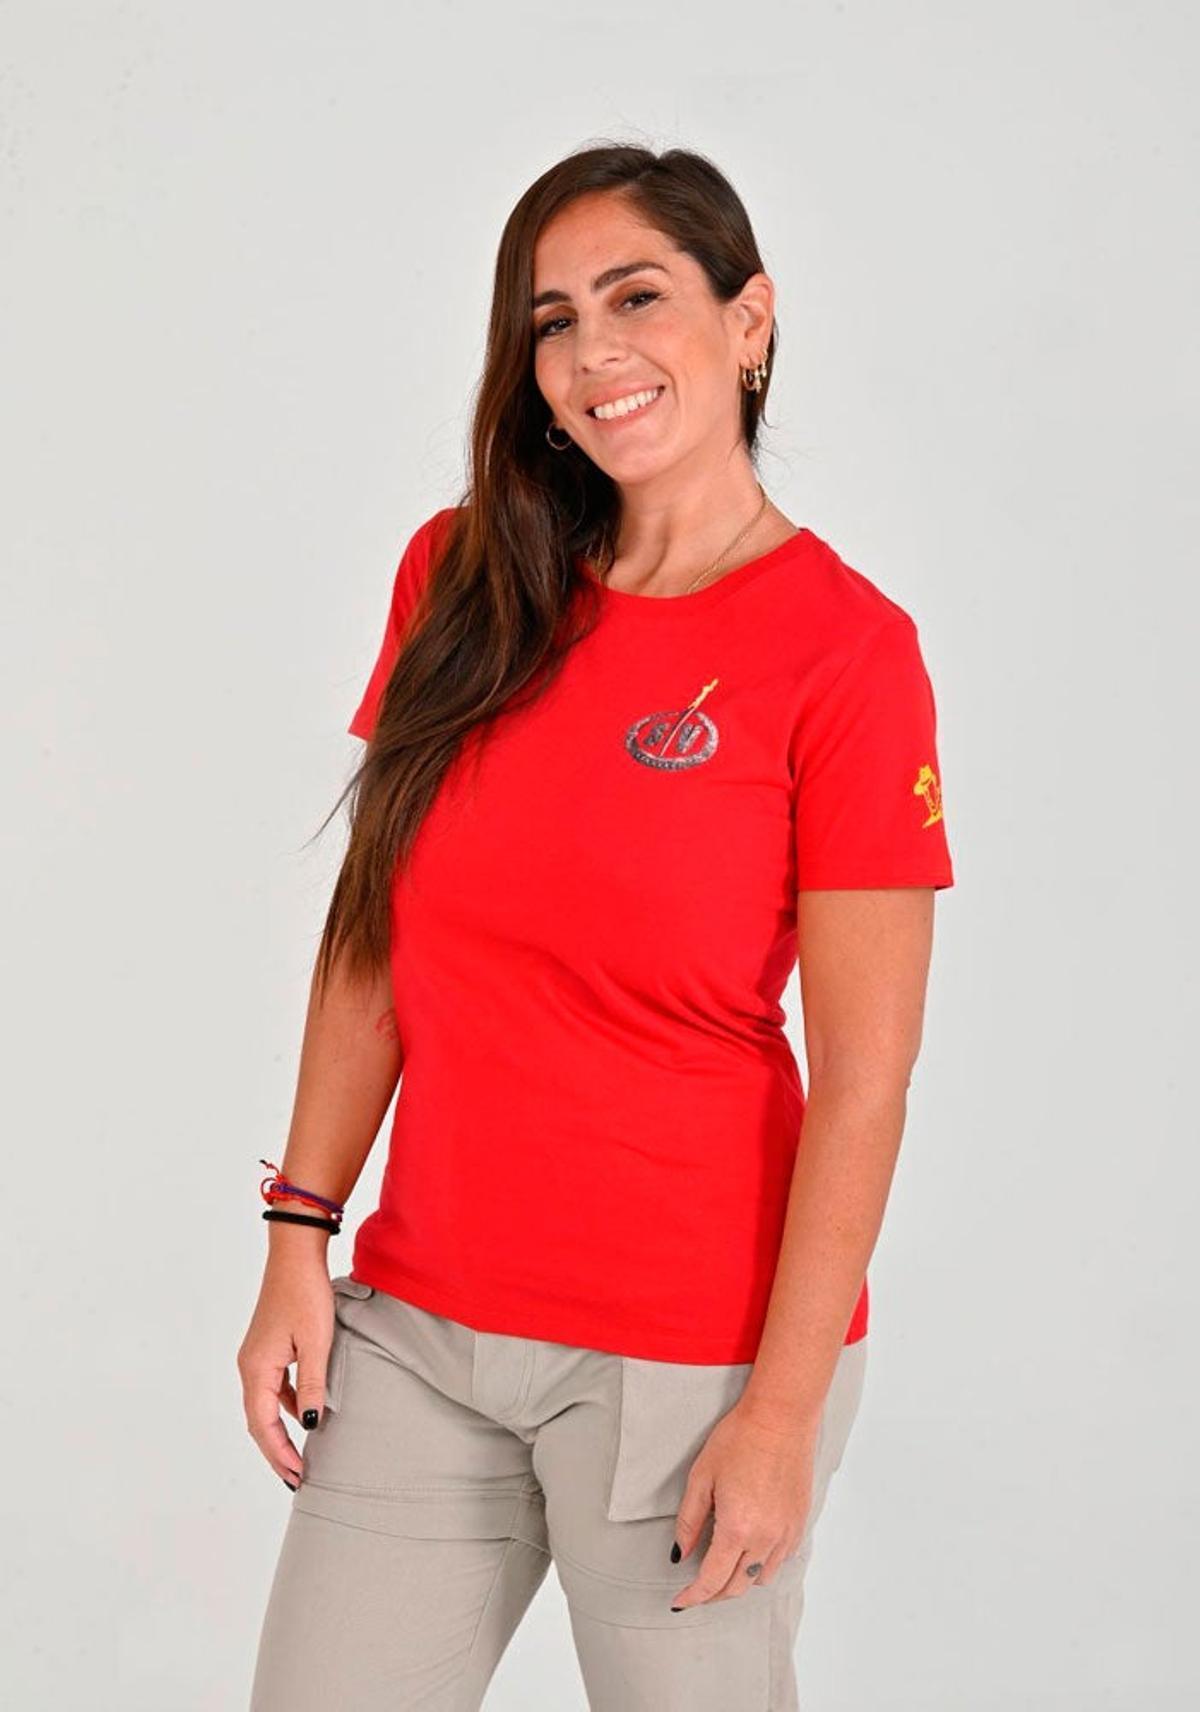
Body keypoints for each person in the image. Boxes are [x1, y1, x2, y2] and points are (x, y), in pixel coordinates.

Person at [240, 142, 955, 1711]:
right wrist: (300, 1232)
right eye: (552, 319)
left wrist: (780, 1415)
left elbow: (865, 1079)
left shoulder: (846, 653)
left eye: (638, 298)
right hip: (421, 1330)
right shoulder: (460, 578)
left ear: (748, 323)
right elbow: (376, 940)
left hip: (688, 1360)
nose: (590, 353)